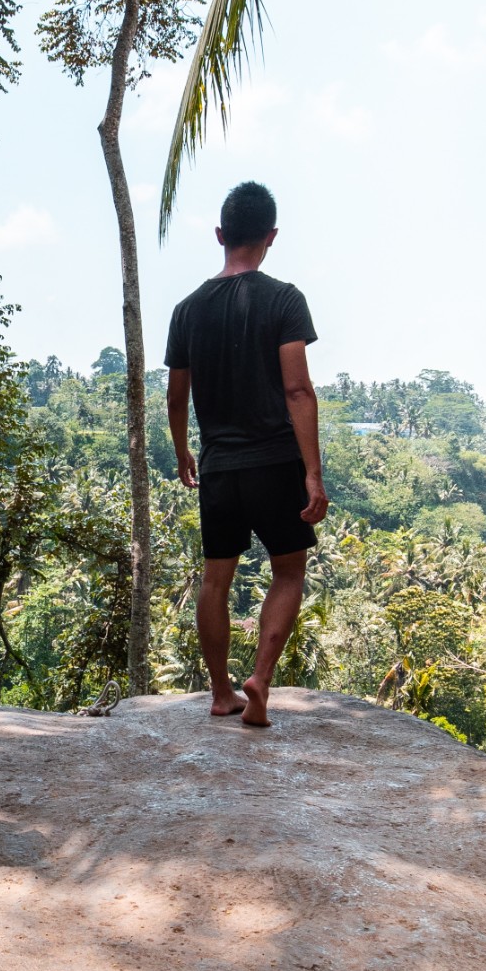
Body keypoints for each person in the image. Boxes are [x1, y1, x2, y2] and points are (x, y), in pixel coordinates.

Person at [164, 180, 328, 728]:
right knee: (287, 572)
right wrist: (312, 472)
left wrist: (184, 449)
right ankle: (258, 679)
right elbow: (298, 391)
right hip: (275, 462)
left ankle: (219, 693)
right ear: (270, 237)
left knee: (216, 579)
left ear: (220, 235)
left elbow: (176, 392)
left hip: (218, 467)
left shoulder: (187, 310)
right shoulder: (284, 299)